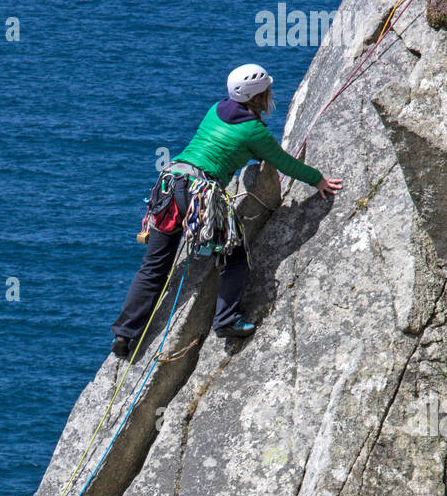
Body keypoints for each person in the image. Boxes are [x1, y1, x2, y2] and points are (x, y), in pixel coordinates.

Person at [110, 63, 343, 357]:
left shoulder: (216, 109)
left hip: (170, 186)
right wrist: (318, 179)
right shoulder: (253, 131)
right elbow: (285, 163)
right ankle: (226, 320)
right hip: (201, 196)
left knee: (154, 266)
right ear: (260, 96)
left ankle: (123, 335)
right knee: (235, 257)